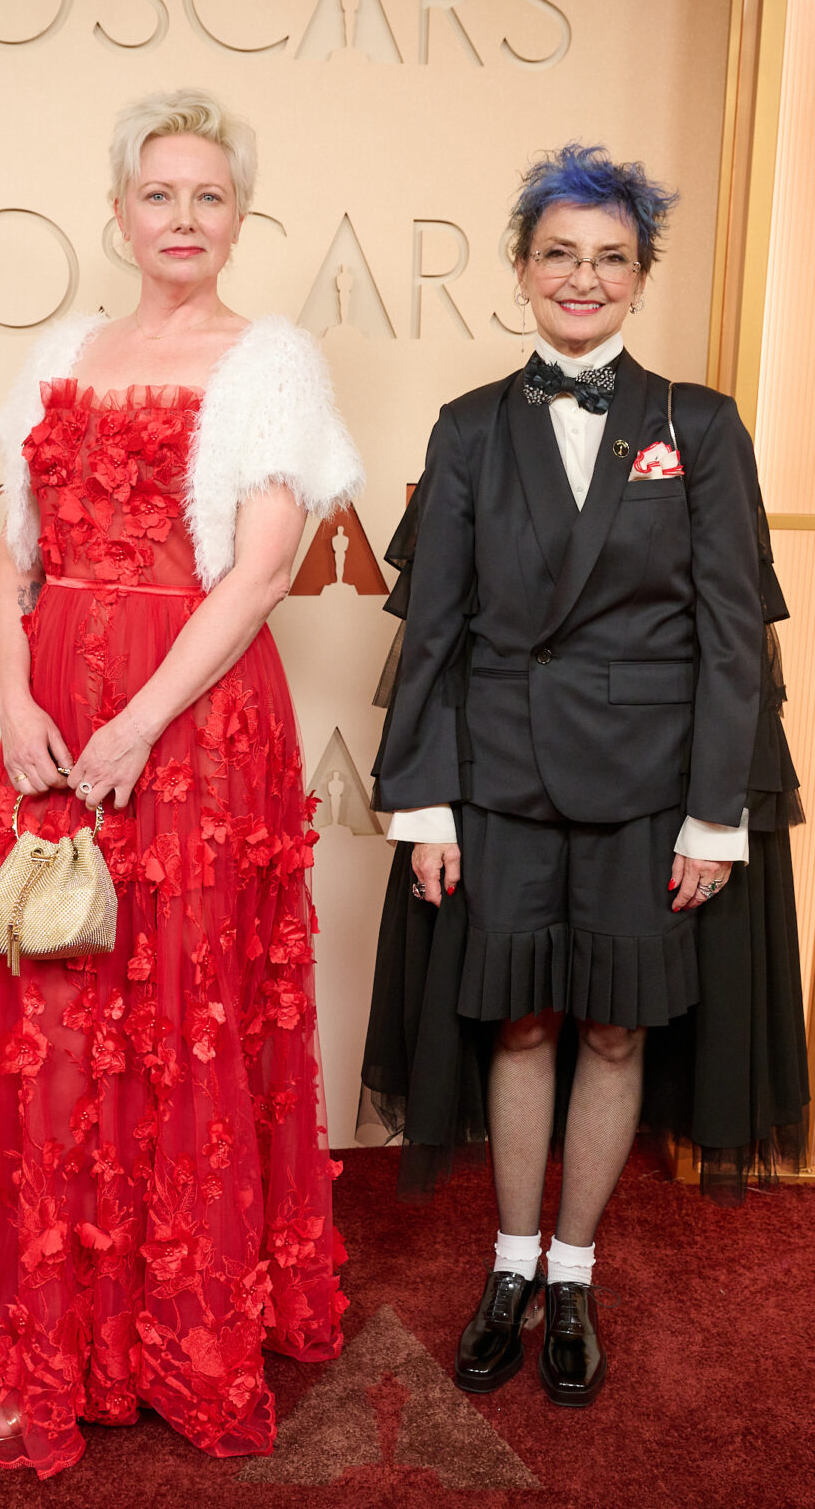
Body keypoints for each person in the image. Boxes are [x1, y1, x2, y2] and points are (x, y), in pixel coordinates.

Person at [0, 89, 360, 1476]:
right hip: (58, 706)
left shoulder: (271, 358)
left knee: (182, 1008)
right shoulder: (60, 349)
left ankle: (179, 1330)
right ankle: (72, 1322)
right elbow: (18, 560)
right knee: (61, 1000)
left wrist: (136, 729)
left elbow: (257, 572)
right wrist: (17, 700)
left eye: (211, 197)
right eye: (159, 194)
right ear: (117, 208)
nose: (184, 219)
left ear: (241, 217)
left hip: (196, 714)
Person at [363, 144, 808, 1409]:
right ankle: (507, 1266)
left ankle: (573, 1273)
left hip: (649, 791)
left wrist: (714, 817)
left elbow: (734, 635)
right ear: (520, 270)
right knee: (522, 1021)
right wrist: (427, 800)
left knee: (612, 1029)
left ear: (638, 280)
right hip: (499, 781)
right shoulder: (463, 429)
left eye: (610, 258)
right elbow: (434, 629)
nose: (582, 277)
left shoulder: (700, 424)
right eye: (558, 253)